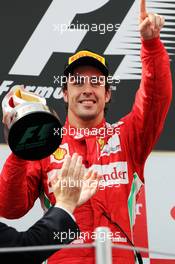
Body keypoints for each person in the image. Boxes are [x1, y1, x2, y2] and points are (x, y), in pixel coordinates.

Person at [0, 0, 172, 263]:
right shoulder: (44, 143)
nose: (87, 88)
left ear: (108, 93)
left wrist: (151, 45)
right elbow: (11, 209)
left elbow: (155, 97)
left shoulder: (128, 136)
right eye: (78, 81)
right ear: (65, 93)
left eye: (96, 81)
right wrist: (22, 148)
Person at [0, 154, 99, 264]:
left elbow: (20, 250)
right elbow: (20, 252)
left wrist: (65, 205)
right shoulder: (44, 148)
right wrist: (66, 204)